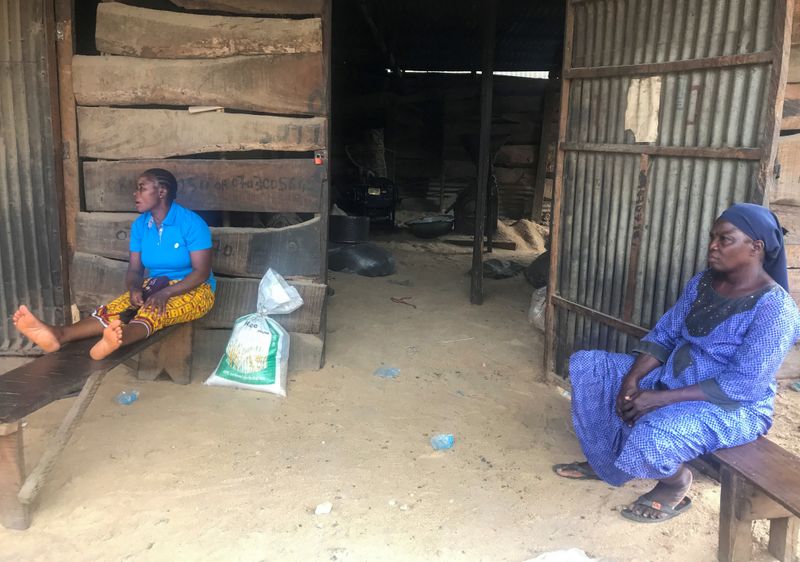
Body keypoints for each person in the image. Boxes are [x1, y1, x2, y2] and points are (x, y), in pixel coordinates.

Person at [554, 203, 800, 523]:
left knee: (653, 436)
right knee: (589, 367)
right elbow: (665, 335)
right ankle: (609, 462)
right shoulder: (703, 283)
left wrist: (657, 398)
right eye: (712, 237)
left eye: (724, 239)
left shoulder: (775, 309)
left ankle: (676, 482)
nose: (712, 246)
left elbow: (742, 384)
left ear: (756, 248)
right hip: (674, 380)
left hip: (734, 407)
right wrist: (632, 379)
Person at [13, 169, 215, 360]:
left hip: (196, 289)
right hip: (156, 285)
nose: (135, 194)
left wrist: (165, 294)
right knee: (115, 308)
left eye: (142, 188)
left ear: (162, 192)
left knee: (154, 311)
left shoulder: (191, 223)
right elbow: (135, 270)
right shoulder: (140, 226)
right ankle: (58, 335)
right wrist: (134, 288)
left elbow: (201, 272)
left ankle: (119, 339)